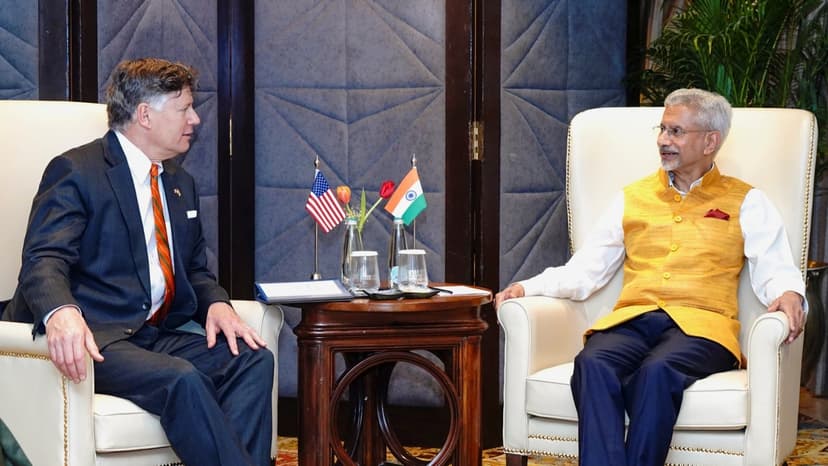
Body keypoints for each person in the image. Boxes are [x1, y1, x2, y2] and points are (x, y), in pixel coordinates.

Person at [494, 88, 806, 466]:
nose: (663, 140)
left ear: (710, 142)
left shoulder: (746, 200)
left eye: (676, 131)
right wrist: (528, 287)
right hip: (632, 321)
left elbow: (774, 265)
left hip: (704, 329)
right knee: (592, 364)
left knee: (657, 372)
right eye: (662, 129)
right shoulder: (632, 197)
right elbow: (587, 269)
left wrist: (789, 293)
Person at [2, 58, 273, 466]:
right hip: (96, 337)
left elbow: (194, 270)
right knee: (182, 378)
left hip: (150, 333)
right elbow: (44, 258)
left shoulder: (180, 183)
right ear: (145, 115)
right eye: (184, 109)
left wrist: (217, 304)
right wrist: (61, 311)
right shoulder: (77, 171)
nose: (195, 120)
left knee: (252, 359)